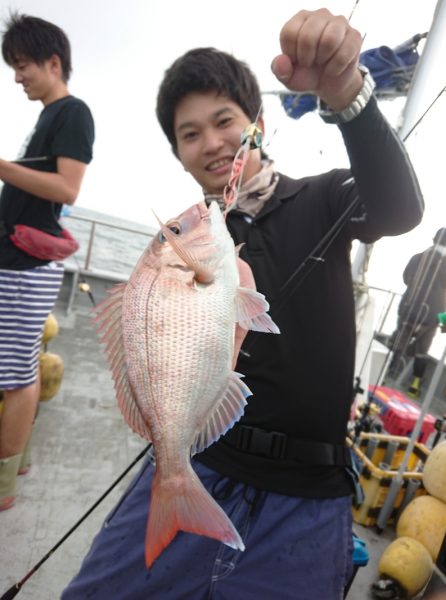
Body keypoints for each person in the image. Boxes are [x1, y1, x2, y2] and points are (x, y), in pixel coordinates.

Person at [62, 8, 423, 599]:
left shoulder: (323, 197)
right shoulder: (177, 243)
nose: (211, 143)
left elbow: (399, 209)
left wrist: (349, 98)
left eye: (223, 121)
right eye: (189, 133)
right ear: (178, 152)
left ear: (256, 123)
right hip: (200, 461)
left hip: (308, 495)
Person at [0, 14, 95, 510]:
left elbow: (66, 189)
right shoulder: (48, 115)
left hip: (24, 263)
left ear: (52, 62)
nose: (17, 77)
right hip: (15, 257)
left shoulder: (73, 113)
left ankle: (2, 487)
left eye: (22, 66)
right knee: (22, 369)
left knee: (14, 377)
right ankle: (19, 460)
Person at [388, 227, 446, 397]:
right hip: (433, 317)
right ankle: (414, 386)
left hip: (409, 309)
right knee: (422, 352)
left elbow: (406, 278)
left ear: (433, 239)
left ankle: (389, 374)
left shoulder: (417, 258)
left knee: (399, 342)